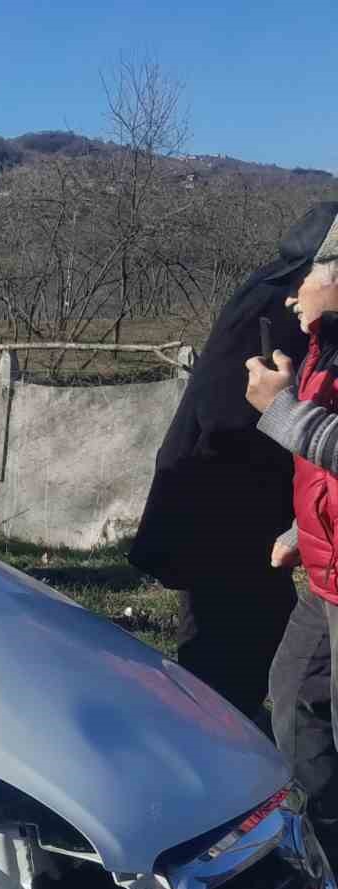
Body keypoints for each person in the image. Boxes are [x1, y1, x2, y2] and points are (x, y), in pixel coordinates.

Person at [130, 201, 338, 720]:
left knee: (254, 639)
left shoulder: (273, 290)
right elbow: (226, 410)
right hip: (224, 495)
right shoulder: (281, 306)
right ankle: (215, 749)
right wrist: (284, 418)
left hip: (240, 498)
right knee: (225, 647)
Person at [250, 213, 338, 839]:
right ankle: (327, 840)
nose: (290, 294)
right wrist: (298, 529)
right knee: (293, 697)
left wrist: (282, 412)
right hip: (326, 565)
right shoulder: (321, 345)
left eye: (303, 278)